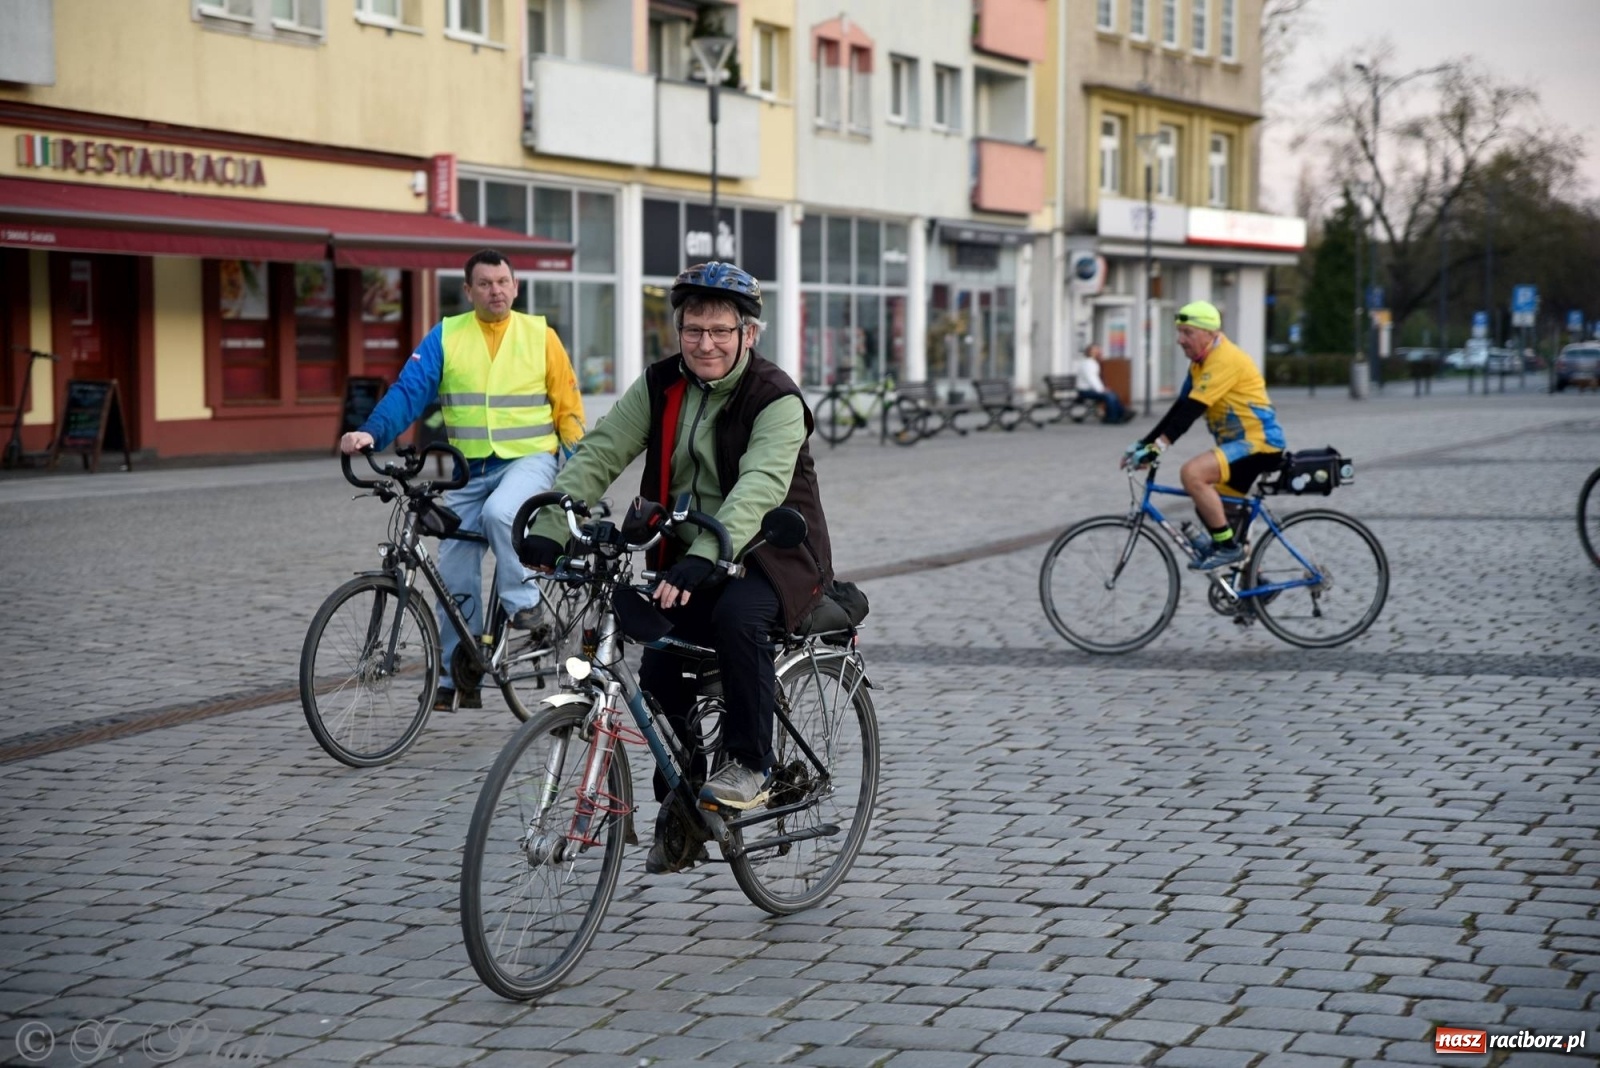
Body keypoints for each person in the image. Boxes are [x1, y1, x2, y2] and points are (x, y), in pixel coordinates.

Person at [518, 261, 834, 874]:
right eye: (693, 330)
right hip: (686, 554)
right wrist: (553, 524)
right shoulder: (662, 384)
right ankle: (687, 795)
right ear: (679, 331)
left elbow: (761, 486)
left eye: (720, 331)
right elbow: (604, 448)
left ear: (749, 334)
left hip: (771, 554)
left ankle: (750, 761)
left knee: (739, 622)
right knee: (659, 665)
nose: (705, 344)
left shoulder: (776, 399)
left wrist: (708, 554)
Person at [340, 248, 585, 711]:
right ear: (468, 290)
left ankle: (524, 603)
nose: (496, 290)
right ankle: (459, 672)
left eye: (503, 281)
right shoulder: (447, 335)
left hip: (528, 461)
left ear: (515, 287)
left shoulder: (540, 335)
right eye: (486, 283)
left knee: (501, 514)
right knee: (452, 567)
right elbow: (409, 391)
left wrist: (574, 472)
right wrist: (370, 433)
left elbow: (568, 410)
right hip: (468, 471)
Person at [1120, 300, 1285, 572]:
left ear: (1210, 333)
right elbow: (1179, 407)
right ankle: (1254, 583)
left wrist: (1158, 448)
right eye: (1179, 332)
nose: (1179, 340)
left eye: (1188, 333)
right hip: (1241, 447)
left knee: (1193, 475)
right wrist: (1144, 444)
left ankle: (1228, 549)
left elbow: (1192, 411)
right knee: (1211, 508)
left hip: (1259, 444)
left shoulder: (1225, 359)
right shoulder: (1200, 363)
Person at [1075, 343, 1132, 424]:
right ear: (1091, 352)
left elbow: (1095, 379)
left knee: (1112, 394)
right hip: (1085, 391)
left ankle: (1121, 414)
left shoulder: (1092, 362)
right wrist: (1101, 389)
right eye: (1097, 350)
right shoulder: (1089, 363)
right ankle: (1114, 417)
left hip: (1090, 390)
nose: (1100, 352)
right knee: (1109, 395)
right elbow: (1092, 379)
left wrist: (1102, 389)